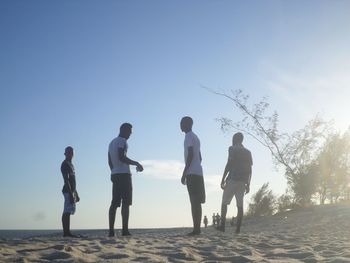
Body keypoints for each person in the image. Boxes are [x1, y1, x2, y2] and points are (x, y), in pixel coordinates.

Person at [108, 123, 143, 237]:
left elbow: (109, 160)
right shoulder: (122, 141)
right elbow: (121, 157)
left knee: (114, 203)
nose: (130, 134)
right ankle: (125, 230)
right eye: (129, 132)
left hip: (115, 174)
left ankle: (111, 231)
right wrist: (136, 163)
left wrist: (113, 171)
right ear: (124, 130)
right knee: (126, 203)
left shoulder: (112, 142)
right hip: (124, 175)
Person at [218, 132, 252, 234]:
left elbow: (229, 164)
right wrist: (248, 183)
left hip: (232, 179)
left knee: (224, 203)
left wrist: (223, 178)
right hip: (242, 181)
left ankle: (222, 226)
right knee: (240, 205)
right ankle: (238, 229)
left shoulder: (232, 149)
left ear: (235, 139)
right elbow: (250, 170)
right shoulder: (248, 152)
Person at [180, 116, 206, 235]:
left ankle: (196, 229)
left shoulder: (189, 136)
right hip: (198, 172)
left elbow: (190, 154)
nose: (180, 125)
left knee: (194, 201)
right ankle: (197, 228)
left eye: (182, 123)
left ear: (188, 124)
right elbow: (200, 157)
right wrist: (196, 166)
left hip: (192, 173)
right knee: (197, 202)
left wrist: (185, 172)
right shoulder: (196, 137)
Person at [61, 146, 80, 237]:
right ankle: (66, 232)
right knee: (66, 211)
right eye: (68, 152)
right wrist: (70, 193)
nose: (71, 154)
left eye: (72, 152)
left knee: (69, 211)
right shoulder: (64, 164)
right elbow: (66, 180)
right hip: (67, 190)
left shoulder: (71, 165)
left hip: (72, 190)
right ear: (65, 154)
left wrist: (76, 193)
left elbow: (73, 180)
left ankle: (67, 232)